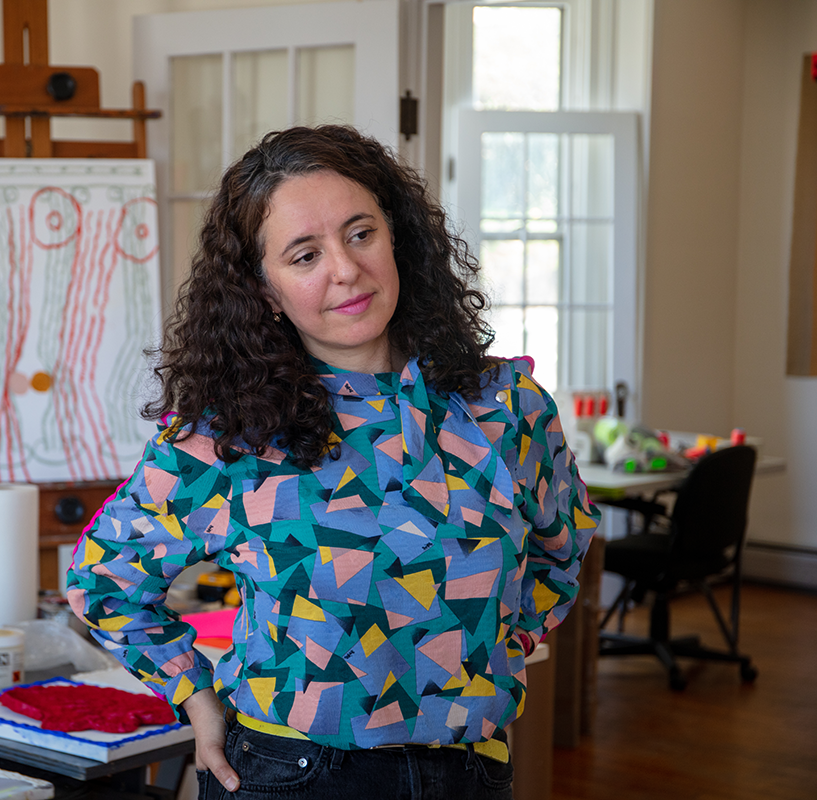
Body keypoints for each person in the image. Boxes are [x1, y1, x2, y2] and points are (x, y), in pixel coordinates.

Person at [67, 125, 599, 799]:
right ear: (265, 291)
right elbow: (103, 580)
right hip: (292, 775)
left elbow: (561, 551)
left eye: (360, 234)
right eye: (305, 255)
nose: (345, 269)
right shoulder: (229, 437)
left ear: (397, 237)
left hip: (470, 773)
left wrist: (487, 654)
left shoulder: (506, 406)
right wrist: (196, 698)